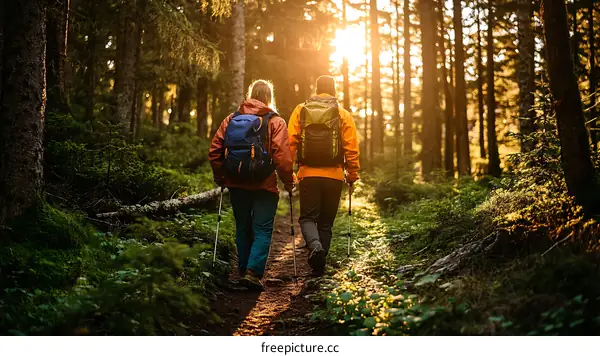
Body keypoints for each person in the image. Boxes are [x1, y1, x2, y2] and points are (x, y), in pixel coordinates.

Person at [209, 80, 295, 290]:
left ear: (250, 95)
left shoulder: (231, 119)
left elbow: (215, 151)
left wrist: (221, 177)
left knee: (243, 227)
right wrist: (289, 182)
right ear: (268, 97)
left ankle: (241, 271)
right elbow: (282, 158)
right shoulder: (275, 121)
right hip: (264, 186)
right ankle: (253, 274)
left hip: (236, 185)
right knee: (263, 229)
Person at [288, 75, 360, 276]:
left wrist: (288, 173)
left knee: (308, 218)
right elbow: (351, 147)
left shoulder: (300, 110)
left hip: (307, 174)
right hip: (334, 176)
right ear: (334, 91)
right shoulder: (342, 114)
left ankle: (315, 246)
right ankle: (319, 268)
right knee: (326, 222)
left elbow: (290, 144)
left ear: (316, 89)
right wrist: (352, 174)